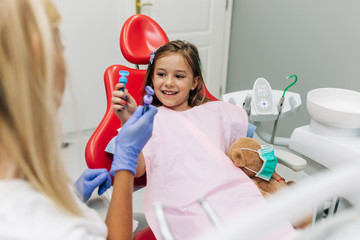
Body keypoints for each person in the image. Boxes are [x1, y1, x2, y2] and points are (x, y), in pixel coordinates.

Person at [0, 0, 157, 239]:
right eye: (58, 42)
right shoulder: (45, 228)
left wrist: (72, 194)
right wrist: (126, 161)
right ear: (40, 67)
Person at [109, 40, 294, 239]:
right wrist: (129, 123)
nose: (169, 82)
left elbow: (247, 151)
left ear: (195, 82)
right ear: (152, 78)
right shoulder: (147, 120)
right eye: (161, 74)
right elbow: (137, 169)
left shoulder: (216, 112)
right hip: (182, 205)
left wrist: (276, 180)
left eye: (179, 76)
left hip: (232, 196)